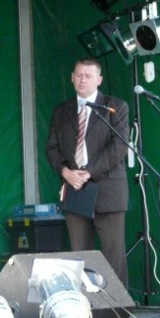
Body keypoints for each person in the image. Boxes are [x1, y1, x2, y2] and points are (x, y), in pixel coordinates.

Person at [45, 58, 129, 287]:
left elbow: (119, 146)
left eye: (88, 76)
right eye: (79, 75)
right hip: (74, 188)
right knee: (79, 255)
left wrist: (88, 172)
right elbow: (51, 148)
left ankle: (118, 305)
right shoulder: (61, 111)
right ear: (72, 78)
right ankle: (84, 304)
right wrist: (65, 171)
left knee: (113, 255)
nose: (83, 80)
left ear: (99, 80)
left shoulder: (115, 107)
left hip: (108, 189)